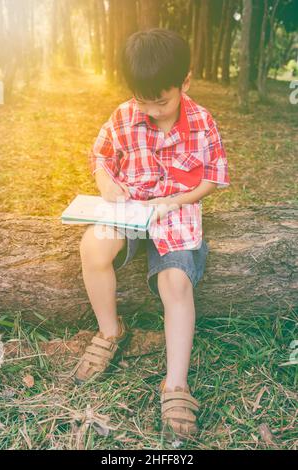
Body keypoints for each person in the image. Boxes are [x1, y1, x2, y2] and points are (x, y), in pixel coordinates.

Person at [74, 28, 230, 440]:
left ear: (185, 82)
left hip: (174, 211)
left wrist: (173, 203)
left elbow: (213, 178)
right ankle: (111, 331)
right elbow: (101, 155)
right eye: (144, 100)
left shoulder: (202, 122)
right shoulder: (124, 115)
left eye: (161, 100)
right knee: (93, 246)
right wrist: (106, 182)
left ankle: (175, 383)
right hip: (129, 206)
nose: (153, 110)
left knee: (176, 282)